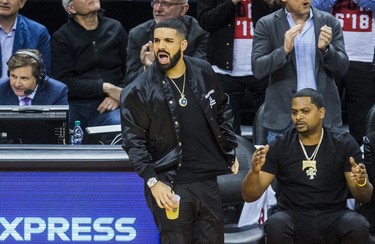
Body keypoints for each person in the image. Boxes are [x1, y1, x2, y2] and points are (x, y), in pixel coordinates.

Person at [121, 18, 239, 243]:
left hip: (207, 181)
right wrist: (153, 182)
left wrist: (229, 147)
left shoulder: (202, 70)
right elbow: (133, 142)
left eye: (168, 40)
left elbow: (222, 107)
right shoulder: (137, 90)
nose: (160, 46)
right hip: (170, 183)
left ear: (183, 45)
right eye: (156, 41)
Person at [242, 88, 373, 243]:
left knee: (357, 225)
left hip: (334, 214)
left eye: (305, 111)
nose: (299, 117)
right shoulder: (280, 145)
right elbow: (250, 196)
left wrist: (361, 182)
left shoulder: (343, 143)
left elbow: (364, 197)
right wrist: (254, 172)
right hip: (292, 214)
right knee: (276, 224)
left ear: (321, 112)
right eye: (294, 112)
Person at [251, 0, 349, 143]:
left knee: (326, 165)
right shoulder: (267, 24)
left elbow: (342, 67)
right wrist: (283, 51)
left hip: (322, 114)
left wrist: (327, 50)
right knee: (280, 165)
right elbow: (258, 68)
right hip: (283, 116)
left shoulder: (328, 21)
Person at [52, 0, 127, 130]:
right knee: (60, 128)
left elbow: (131, 69)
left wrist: (119, 94)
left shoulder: (115, 28)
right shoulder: (62, 37)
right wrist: (104, 87)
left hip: (111, 104)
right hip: (76, 105)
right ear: (71, 8)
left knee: (118, 125)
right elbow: (63, 81)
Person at [197, 0, 267, 135]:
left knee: (266, 129)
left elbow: (280, 17)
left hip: (263, 66)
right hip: (224, 69)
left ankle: (267, 157)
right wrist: (232, 2)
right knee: (228, 132)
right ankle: (234, 157)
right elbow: (205, 21)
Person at [312, 0, 375, 146]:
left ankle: (360, 162)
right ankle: (323, 157)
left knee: (362, 120)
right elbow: (313, 8)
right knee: (325, 114)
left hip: (364, 60)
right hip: (331, 56)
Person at [125, 0, 208, 85]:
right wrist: (147, 68)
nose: (158, 9)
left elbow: (199, 75)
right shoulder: (138, 34)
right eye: (155, 2)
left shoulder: (198, 33)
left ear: (183, 9)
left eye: (166, 4)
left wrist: (156, 66)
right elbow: (130, 81)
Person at [0, 0, 51, 80]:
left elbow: (45, 74)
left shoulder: (38, 32)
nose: (5, 1)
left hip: (23, 90)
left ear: (22, 3)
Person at [0, 49, 67, 105]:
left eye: (24, 78)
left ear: (38, 78)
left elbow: (60, 121)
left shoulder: (56, 92)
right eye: (14, 76)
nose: (17, 84)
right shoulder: (1, 89)